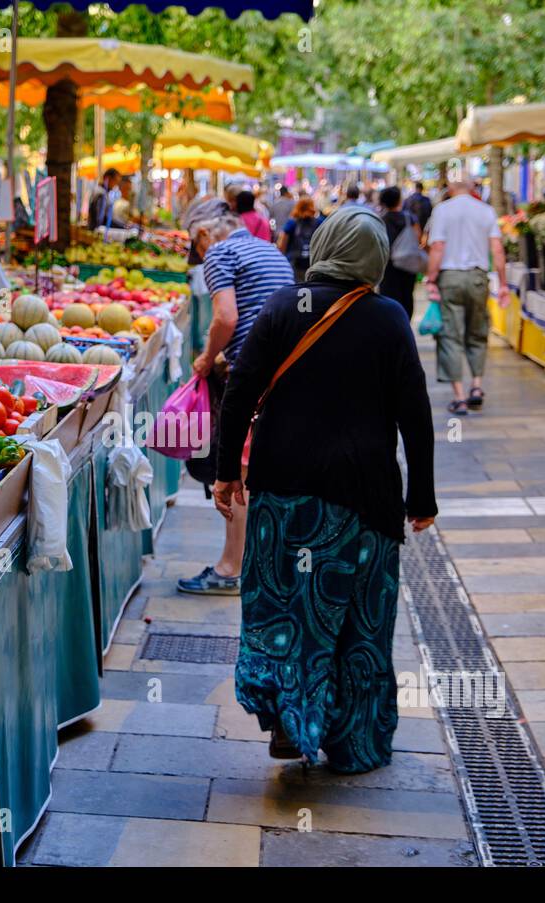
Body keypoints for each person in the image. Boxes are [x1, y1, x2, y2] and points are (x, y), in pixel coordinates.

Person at [212, 203, 437, 768]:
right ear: (377, 257)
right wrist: (422, 498)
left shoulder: (285, 304)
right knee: (360, 621)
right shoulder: (388, 317)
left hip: (282, 494)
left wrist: (224, 471)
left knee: (284, 612)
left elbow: (240, 390)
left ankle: (290, 718)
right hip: (363, 497)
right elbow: (416, 415)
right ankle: (351, 744)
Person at [178, 214, 294, 597]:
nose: (202, 255)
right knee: (259, 470)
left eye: (198, 248)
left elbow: (226, 317)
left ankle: (230, 568)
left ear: (206, 235)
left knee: (238, 475)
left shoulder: (220, 252)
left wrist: (209, 357)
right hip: (286, 370)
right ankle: (264, 562)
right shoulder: (270, 251)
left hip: (255, 375)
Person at [424, 175, 509, 414]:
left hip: (450, 277)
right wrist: (503, 284)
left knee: (450, 335)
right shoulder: (486, 211)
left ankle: (459, 397)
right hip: (477, 277)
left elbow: (437, 248)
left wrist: (430, 279)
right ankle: (477, 387)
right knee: (478, 331)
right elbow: (497, 249)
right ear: (473, 187)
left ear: (450, 188)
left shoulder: (442, 211)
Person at [377, 185, 421, 320]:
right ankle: (405, 323)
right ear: (399, 200)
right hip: (408, 265)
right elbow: (418, 237)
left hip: (388, 266)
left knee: (388, 297)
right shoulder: (410, 218)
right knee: (407, 295)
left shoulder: (379, 220)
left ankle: (392, 325)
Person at [277, 194, 322, 283]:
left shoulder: (291, 223)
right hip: (313, 264)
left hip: (294, 264)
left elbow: (282, 245)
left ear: (297, 207)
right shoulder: (319, 222)